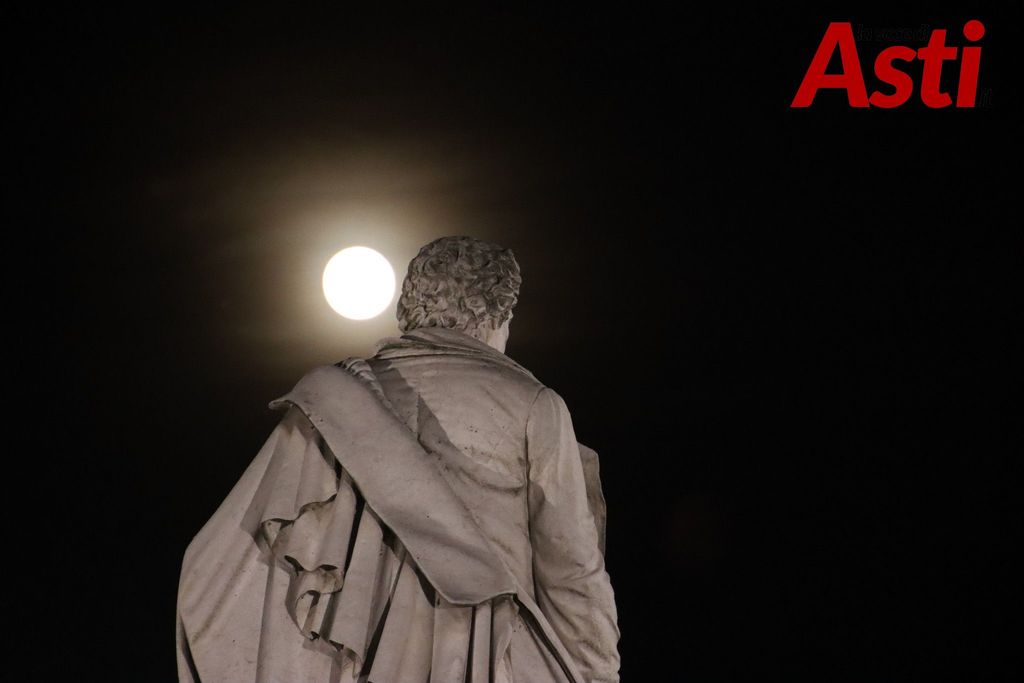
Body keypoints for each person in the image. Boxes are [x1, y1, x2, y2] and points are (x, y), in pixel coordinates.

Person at [177, 236, 620, 682]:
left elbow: (237, 554)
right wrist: (599, 672)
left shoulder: (334, 403)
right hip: (485, 661)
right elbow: (571, 573)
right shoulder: (534, 405)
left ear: (410, 309)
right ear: (497, 316)